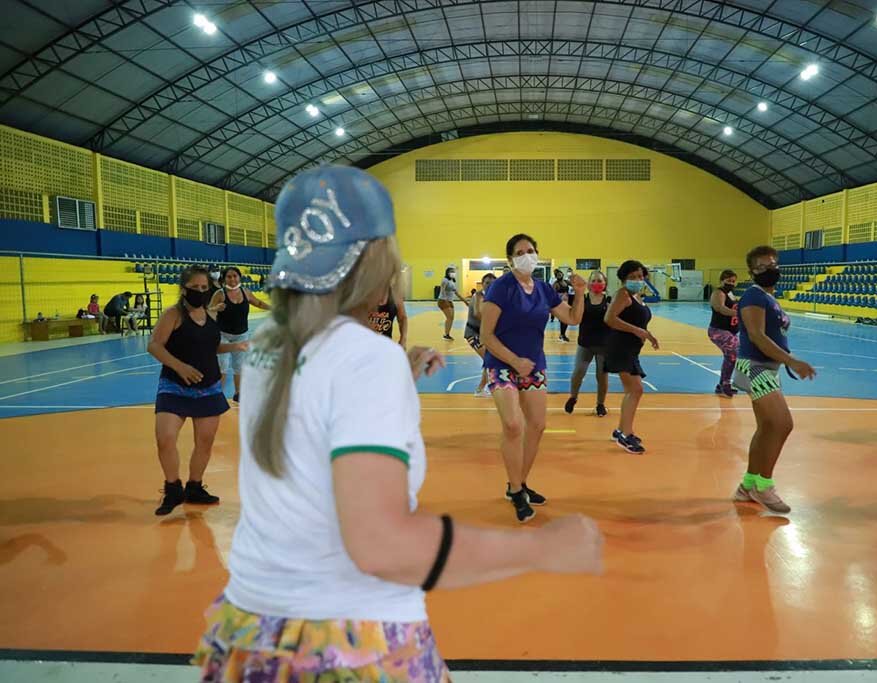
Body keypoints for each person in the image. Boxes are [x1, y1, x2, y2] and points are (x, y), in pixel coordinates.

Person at [194, 166, 602, 680]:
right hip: (351, 631)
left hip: (258, 628)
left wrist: (395, 376)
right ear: (370, 264)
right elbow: (382, 542)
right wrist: (540, 548)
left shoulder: (270, 346)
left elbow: (313, 424)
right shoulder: (364, 358)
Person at [480, 234, 586, 522]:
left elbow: (572, 319)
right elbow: (485, 336)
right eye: (520, 251)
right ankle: (515, 490)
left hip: (534, 365)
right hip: (502, 364)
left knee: (537, 425)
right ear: (511, 258)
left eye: (531, 250)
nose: (527, 255)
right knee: (513, 425)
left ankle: (519, 483)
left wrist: (578, 292)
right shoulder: (501, 289)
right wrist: (515, 361)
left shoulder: (543, 288)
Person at [147, 266, 248, 516]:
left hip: (208, 386)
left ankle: (194, 487)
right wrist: (180, 367)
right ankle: (173, 489)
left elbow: (210, 347)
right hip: (174, 385)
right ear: (184, 289)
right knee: (165, 438)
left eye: (205, 288)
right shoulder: (173, 314)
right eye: (196, 288)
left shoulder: (211, 315)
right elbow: (155, 346)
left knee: (205, 441)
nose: (201, 292)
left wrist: (236, 346)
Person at [732, 246, 816, 514]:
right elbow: (756, 335)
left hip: (767, 367)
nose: (769, 270)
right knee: (782, 424)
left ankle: (747, 486)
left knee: (767, 427)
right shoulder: (753, 297)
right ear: (751, 272)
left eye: (773, 264)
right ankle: (763, 486)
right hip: (756, 366)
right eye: (762, 266)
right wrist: (792, 361)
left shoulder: (769, 298)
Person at [604, 262, 658, 454]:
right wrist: (637, 331)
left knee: (633, 390)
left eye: (640, 276)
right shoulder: (623, 295)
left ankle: (620, 430)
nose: (638, 280)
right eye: (633, 276)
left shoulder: (636, 296)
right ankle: (626, 435)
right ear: (624, 278)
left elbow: (637, 321)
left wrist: (648, 335)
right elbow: (609, 319)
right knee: (635, 390)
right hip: (620, 347)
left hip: (631, 349)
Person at [210, 267, 272, 403]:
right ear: (224, 279)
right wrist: (216, 308)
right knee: (223, 365)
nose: (232, 279)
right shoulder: (220, 294)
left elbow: (259, 302)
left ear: (239, 277)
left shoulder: (246, 292)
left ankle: (239, 393)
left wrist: (273, 309)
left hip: (241, 335)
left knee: (239, 366)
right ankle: (217, 394)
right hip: (223, 335)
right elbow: (209, 310)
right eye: (229, 277)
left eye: (235, 276)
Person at [565, 271, 611, 417]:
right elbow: (574, 314)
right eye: (594, 280)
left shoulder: (610, 300)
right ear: (589, 283)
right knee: (578, 371)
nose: (597, 283)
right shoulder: (582, 299)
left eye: (600, 280)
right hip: (585, 343)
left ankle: (600, 404)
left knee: (602, 376)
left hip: (604, 344)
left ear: (605, 283)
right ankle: (573, 397)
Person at [708, 269, 740, 397]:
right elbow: (720, 308)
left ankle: (722, 384)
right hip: (718, 330)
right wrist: (738, 313)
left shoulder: (731, 294)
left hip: (730, 331)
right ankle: (725, 384)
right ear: (722, 280)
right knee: (733, 352)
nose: (731, 283)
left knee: (731, 356)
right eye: (728, 280)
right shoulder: (718, 293)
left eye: (733, 281)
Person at [465, 273, 496, 397]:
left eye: (493, 282)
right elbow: (478, 313)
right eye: (487, 282)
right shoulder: (478, 296)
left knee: (488, 359)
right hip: (473, 333)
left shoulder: (495, 297)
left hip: (486, 334)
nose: (490, 285)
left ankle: (480, 388)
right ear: (482, 284)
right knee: (490, 360)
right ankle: (490, 386)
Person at [437, 267, 467, 341]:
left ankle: (447, 334)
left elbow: (456, 293)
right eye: (451, 271)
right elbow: (442, 291)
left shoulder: (452, 281)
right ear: (447, 273)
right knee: (449, 317)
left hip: (450, 301)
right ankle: (446, 335)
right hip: (443, 301)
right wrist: (446, 300)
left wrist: (465, 301)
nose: (453, 273)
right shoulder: (445, 280)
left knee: (451, 318)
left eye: (453, 271)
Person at [552, 269, 571, 341]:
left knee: (566, 320)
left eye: (560, 274)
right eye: (558, 275)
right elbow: (552, 294)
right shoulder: (556, 284)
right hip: (560, 303)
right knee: (564, 319)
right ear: (556, 276)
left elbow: (573, 284)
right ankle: (562, 335)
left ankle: (563, 334)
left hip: (567, 302)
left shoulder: (566, 282)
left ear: (562, 274)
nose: (560, 276)